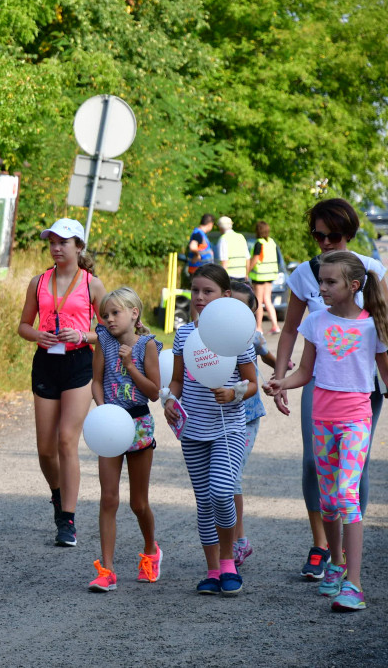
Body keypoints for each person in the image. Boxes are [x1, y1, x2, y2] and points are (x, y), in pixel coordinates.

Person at [264, 251, 388, 611]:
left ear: (353, 286)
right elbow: (305, 371)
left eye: (330, 282)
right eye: (321, 282)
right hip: (323, 419)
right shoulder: (317, 322)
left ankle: (355, 585)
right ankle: (336, 564)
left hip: (356, 419)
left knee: (347, 496)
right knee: (329, 499)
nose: (322, 288)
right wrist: (282, 382)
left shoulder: (372, 326)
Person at [163, 263, 257, 596]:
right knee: (204, 502)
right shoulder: (185, 333)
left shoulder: (237, 334)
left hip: (228, 428)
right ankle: (213, 570)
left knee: (221, 491)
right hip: (193, 430)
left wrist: (235, 392)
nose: (200, 297)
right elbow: (176, 380)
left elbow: (253, 383)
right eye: (196, 290)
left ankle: (229, 562)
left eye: (208, 291)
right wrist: (169, 401)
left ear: (226, 296)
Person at [18, 218, 105, 547]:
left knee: (67, 441)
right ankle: (58, 494)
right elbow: (23, 326)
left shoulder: (92, 284)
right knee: (45, 450)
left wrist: (83, 334)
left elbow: (111, 329)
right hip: (46, 363)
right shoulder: (38, 282)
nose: (56, 247)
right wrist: (37, 334)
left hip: (78, 363)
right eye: (52, 241)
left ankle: (67, 519)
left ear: (78, 247)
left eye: (63, 242)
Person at [87, 287, 162, 592]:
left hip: (139, 424)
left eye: (115, 313)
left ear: (134, 314)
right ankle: (106, 570)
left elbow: (154, 392)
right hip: (109, 426)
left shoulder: (148, 346)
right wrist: (102, 412)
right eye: (105, 315)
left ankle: (151, 552)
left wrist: (131, 364)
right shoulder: (103, 339)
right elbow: (95, 381)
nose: (109, 319)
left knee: (138, 502)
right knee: (109, 498)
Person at [228, 282, 277, 567]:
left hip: (247, 415)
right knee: (223, 479)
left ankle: (240, 541)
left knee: (232, 477)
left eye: (241, 306)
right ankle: (231, 539)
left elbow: (266, 354)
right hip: (219, 414)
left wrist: (281, 369)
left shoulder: (252, 336)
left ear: (251, 312)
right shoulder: (211, 334)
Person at [247, 221, 281, 333]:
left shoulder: (259, 243)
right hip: (270, 275)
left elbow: (255, 259)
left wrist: (247, 271)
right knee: (268, 300)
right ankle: (275, 325)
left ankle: (258, 327)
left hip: (260, 276)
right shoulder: (271, 242)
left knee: (259, 301)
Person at [215, 216, 250, 283]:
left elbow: (224, 261)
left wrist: (222, 278)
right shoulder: (241, 237)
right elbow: (247, 259)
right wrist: (246, 274)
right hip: (242, 275)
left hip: (230, 276)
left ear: (220, 227)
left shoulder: (223, 238)